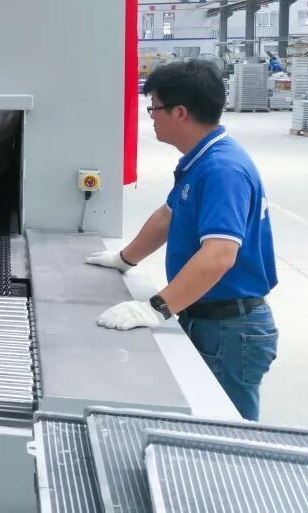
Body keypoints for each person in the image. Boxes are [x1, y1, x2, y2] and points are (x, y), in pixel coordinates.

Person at [87, 59, 278, 421]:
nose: (151, 118)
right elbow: (168, 216)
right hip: (209, 316)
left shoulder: (222, 169)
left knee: (224, 434)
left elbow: (220, 255)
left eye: (154, 108)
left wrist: (156, 307)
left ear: (179, 113)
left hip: (230, 327)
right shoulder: (201, 160)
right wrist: (124, 259)